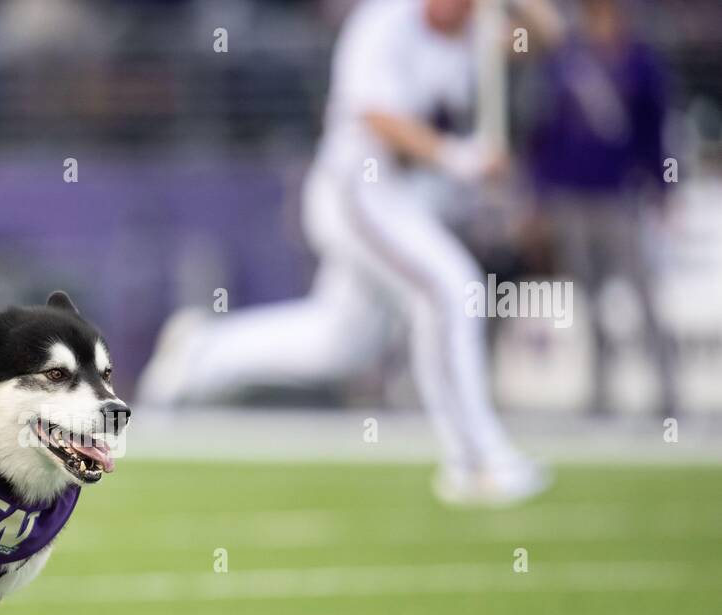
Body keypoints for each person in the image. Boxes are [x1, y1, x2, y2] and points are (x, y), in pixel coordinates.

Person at [139, 0, 556, 506]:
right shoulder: (384, 22)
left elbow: (544, 36)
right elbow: (376, 114)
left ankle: (202, 353)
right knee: (452, 288)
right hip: (359, 191)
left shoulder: (475, 31)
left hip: (406, 205)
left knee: (339, 342)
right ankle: (476, 462)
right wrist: (458, 158)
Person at [526, 0, 675, 417]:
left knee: (642, 293)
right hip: (570, 196)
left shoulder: (641, 60)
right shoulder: (566, 58)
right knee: (588, 299)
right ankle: (600, 391)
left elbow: (655, 131)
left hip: (619, 195)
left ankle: (667, 391)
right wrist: (538, 195)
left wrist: (664, 189)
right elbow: (545, 131)